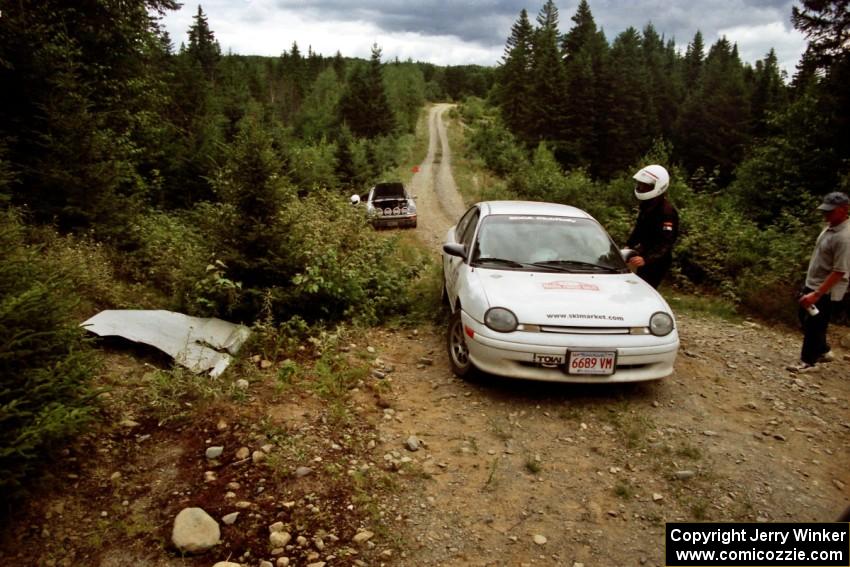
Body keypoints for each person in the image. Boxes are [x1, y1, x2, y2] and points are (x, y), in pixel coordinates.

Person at [787, 191, 850, 373]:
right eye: (825, 211)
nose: (826, 215)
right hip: (813, 282)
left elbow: (839, 271)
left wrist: (817, 294)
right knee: (804, 316)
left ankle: (808, 361)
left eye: (831, 211)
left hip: (825, 290)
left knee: (815, 324)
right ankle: (823, 350)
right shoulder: (831, 226)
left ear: (844, 209)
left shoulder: (844, 237)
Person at [625, 164, 679, 289]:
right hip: (644, 253)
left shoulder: (667, 211)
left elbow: (666, 243)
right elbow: (639, 229)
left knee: (646, 289)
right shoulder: (647, 205)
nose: (641, 188)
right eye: (640, 184)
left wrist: (647, 259)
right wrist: (628, 246)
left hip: (658, 260)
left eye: (645, 186)